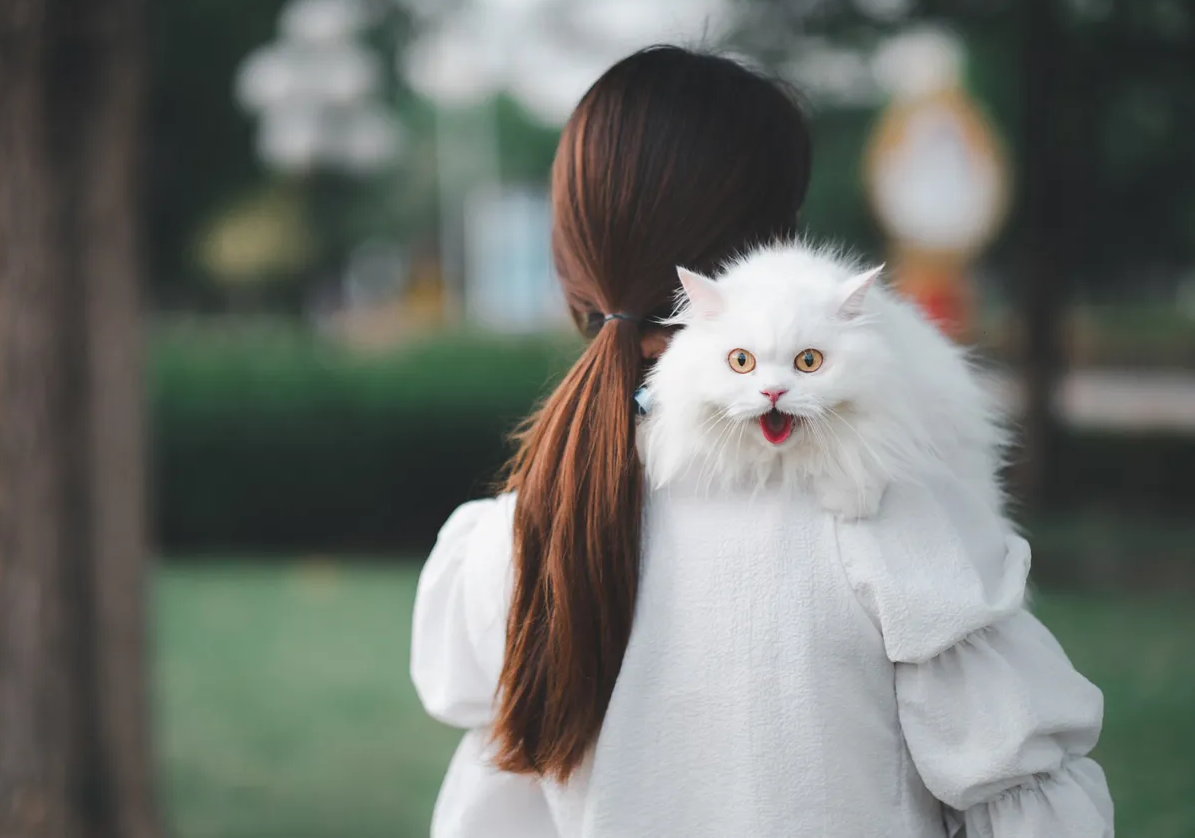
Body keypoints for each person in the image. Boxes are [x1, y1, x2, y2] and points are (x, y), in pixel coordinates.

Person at [411, 45, 1112, 838]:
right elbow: (1029, 804)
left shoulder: (511, 542)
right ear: (778, 249)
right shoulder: (886, 524)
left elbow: (493, 805)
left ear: (567, 259)